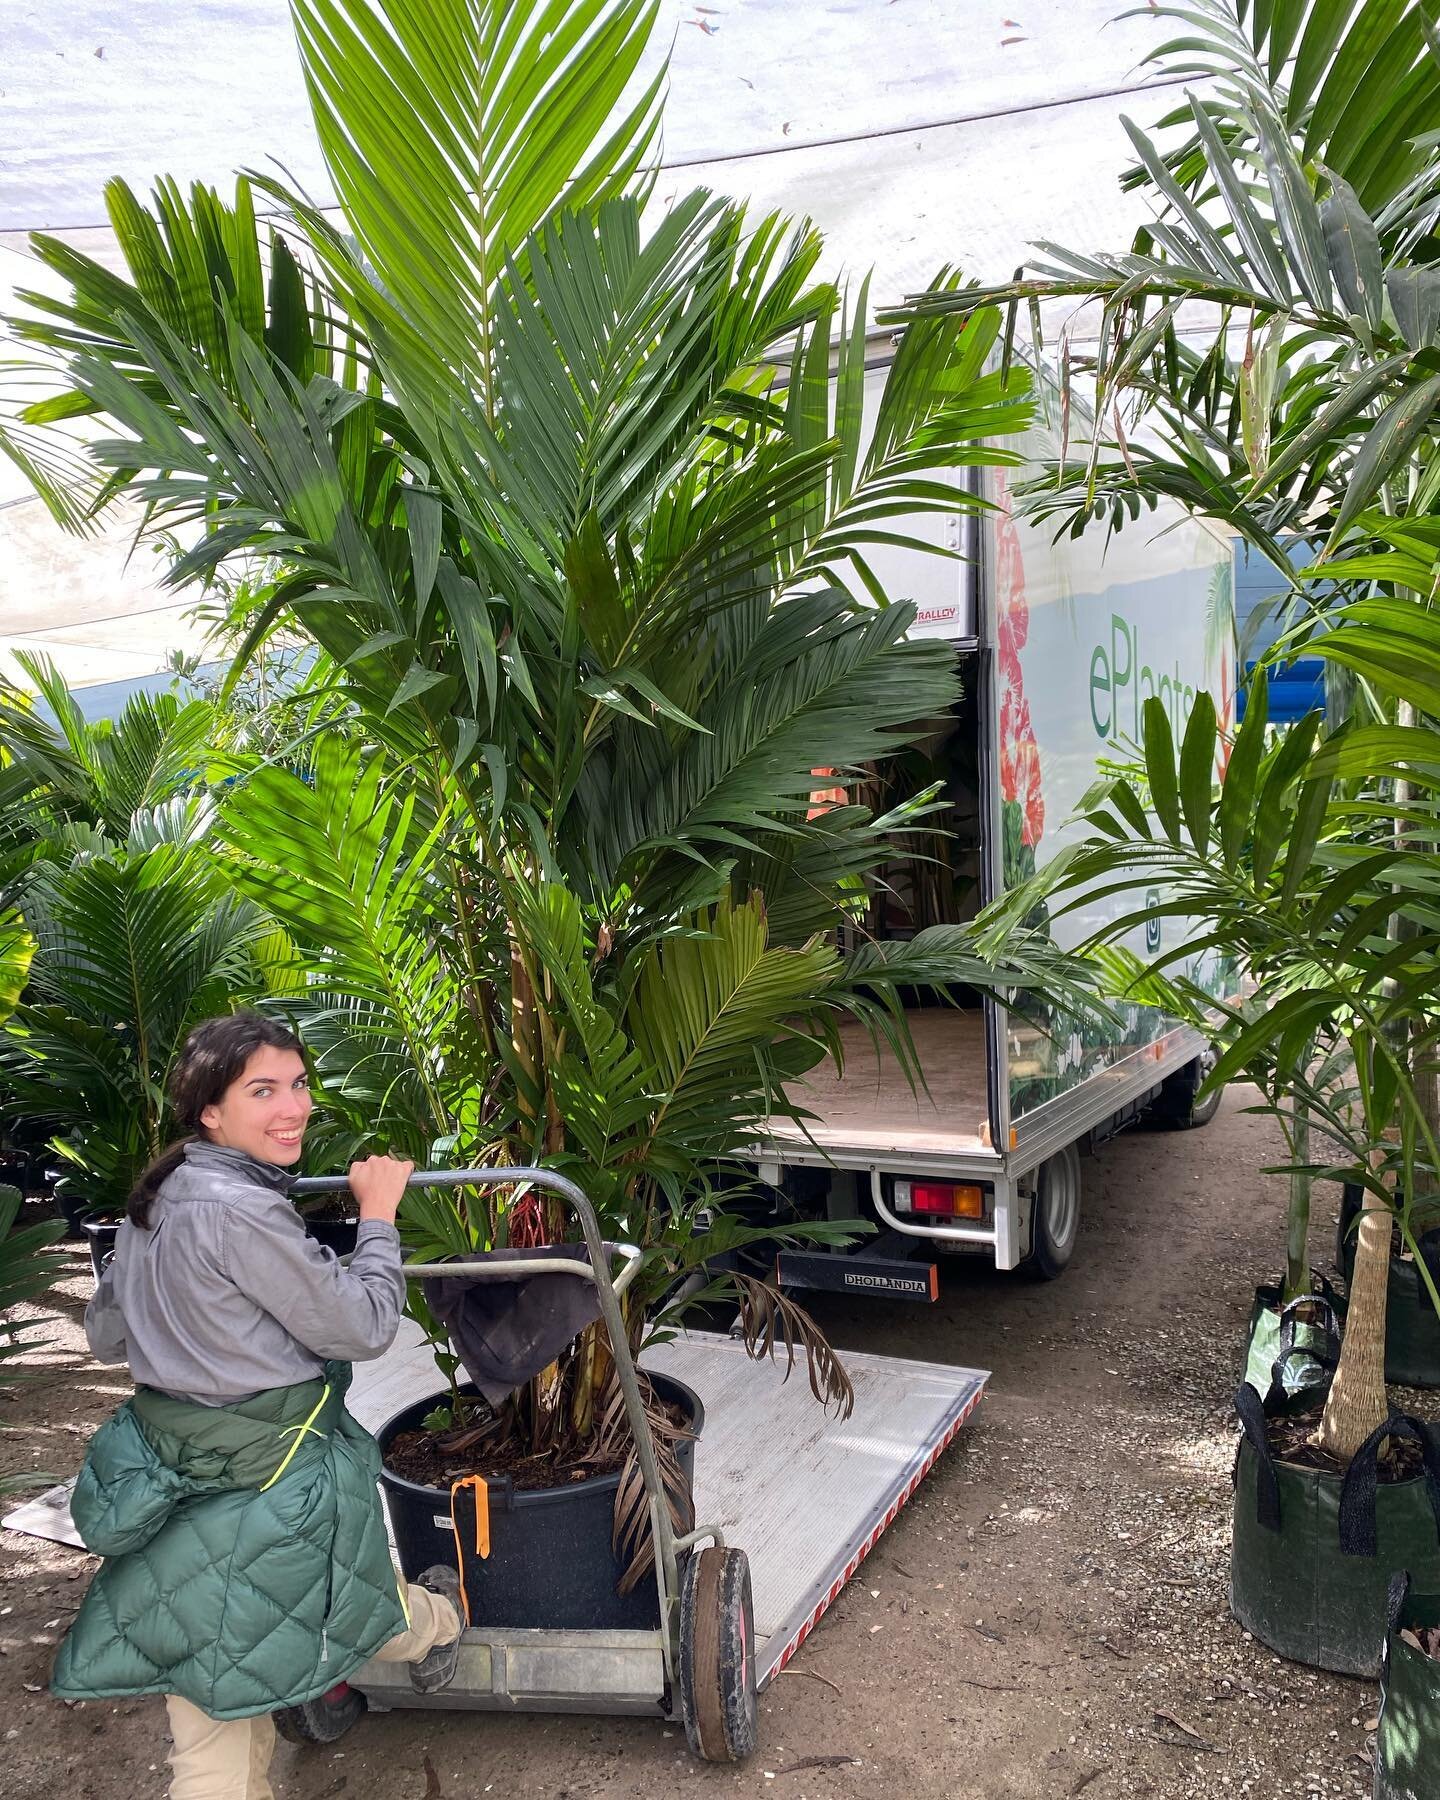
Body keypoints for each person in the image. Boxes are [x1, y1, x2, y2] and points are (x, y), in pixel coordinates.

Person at [50, 1011, 465, 1800]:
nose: (294, 1107)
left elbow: (106, 1334)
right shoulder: (240, 1210)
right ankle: (441, 1627)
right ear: (210, 1109)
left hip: (174, 1461)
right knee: (309, 1608)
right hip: (271, 1471)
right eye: (264, 1090)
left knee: (217, 1655)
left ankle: (433, 1626)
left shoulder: (157, 1196)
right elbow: (365, 1324)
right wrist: (376, 1215)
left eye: (300, 1084)